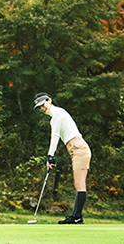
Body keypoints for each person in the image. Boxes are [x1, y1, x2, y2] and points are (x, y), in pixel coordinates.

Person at [33, 92, 91, 224]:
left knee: (80, 184)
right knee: (78, 184)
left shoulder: (58, 114)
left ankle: (77, 217)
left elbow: (55, 137)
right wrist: (50, 157)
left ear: (49, 100)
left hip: (79, 148)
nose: (42, 109)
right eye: (40, 108)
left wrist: (50, 156)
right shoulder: (55, 117)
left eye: (43, 105)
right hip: (75, 149)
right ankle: (76, 216)